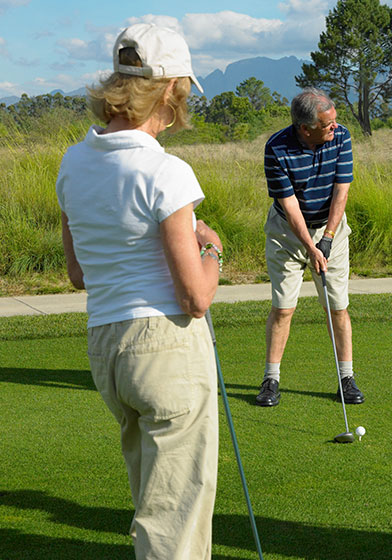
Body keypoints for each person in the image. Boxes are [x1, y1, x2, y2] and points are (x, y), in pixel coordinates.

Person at [56, 23, 222, 559]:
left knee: (152, 499)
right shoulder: (165, 170)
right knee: (175, 516)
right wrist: (212, 250)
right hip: (165, 346)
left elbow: (78, 274)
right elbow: (195, 298)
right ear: (171, 90)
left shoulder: (72, 162)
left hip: (106, 346)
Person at [255, 88, 364, 407]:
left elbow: (341, 191)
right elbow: (288, 207)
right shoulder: (276, 148)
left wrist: (327, 239)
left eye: (334, 121)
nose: (335, 126)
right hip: (286, 234)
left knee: (337, 306)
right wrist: (311, 247)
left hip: (331, 228)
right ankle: (270, 380)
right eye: (327, 123)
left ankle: (346, 378)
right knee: (284, 307)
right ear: (306, 128)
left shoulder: (341, 137)